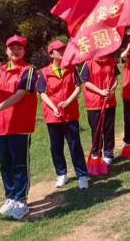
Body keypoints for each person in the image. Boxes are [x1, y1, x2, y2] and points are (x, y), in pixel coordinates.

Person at [0, 35, 37, 220]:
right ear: (6, 51)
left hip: (19, 125)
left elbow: (20, 94)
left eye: (19, 48)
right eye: (11, 48)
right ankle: (10, 197)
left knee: (19, 164)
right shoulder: (1, 70)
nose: (15, 51)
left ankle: (21, 201)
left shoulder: (29, 70)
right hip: (1, 125)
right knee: (5, 164)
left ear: (24, 51)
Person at [37, 40, 88, 189]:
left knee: (75, 145)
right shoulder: (45, 72)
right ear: (51, 54)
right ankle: (61, 174)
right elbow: (42, 93)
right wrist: (53, 107)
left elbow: (78, 87)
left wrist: (68, 101)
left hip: (70, 113)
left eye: (63, 49)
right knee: (56, 146)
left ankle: (82, 175)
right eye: (58, 50)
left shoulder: (71, 68)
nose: (62, 51)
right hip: (53, 116)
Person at [80, 55, 120, 166]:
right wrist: (100, 92)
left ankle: (108, 155)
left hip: (109, 101)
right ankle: (96, 153)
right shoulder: (88, 63)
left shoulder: (111, 61)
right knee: (96, 129)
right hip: (94, 102)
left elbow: (115, 78)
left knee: (109, 129)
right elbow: (86, 82)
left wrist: (111, 93)